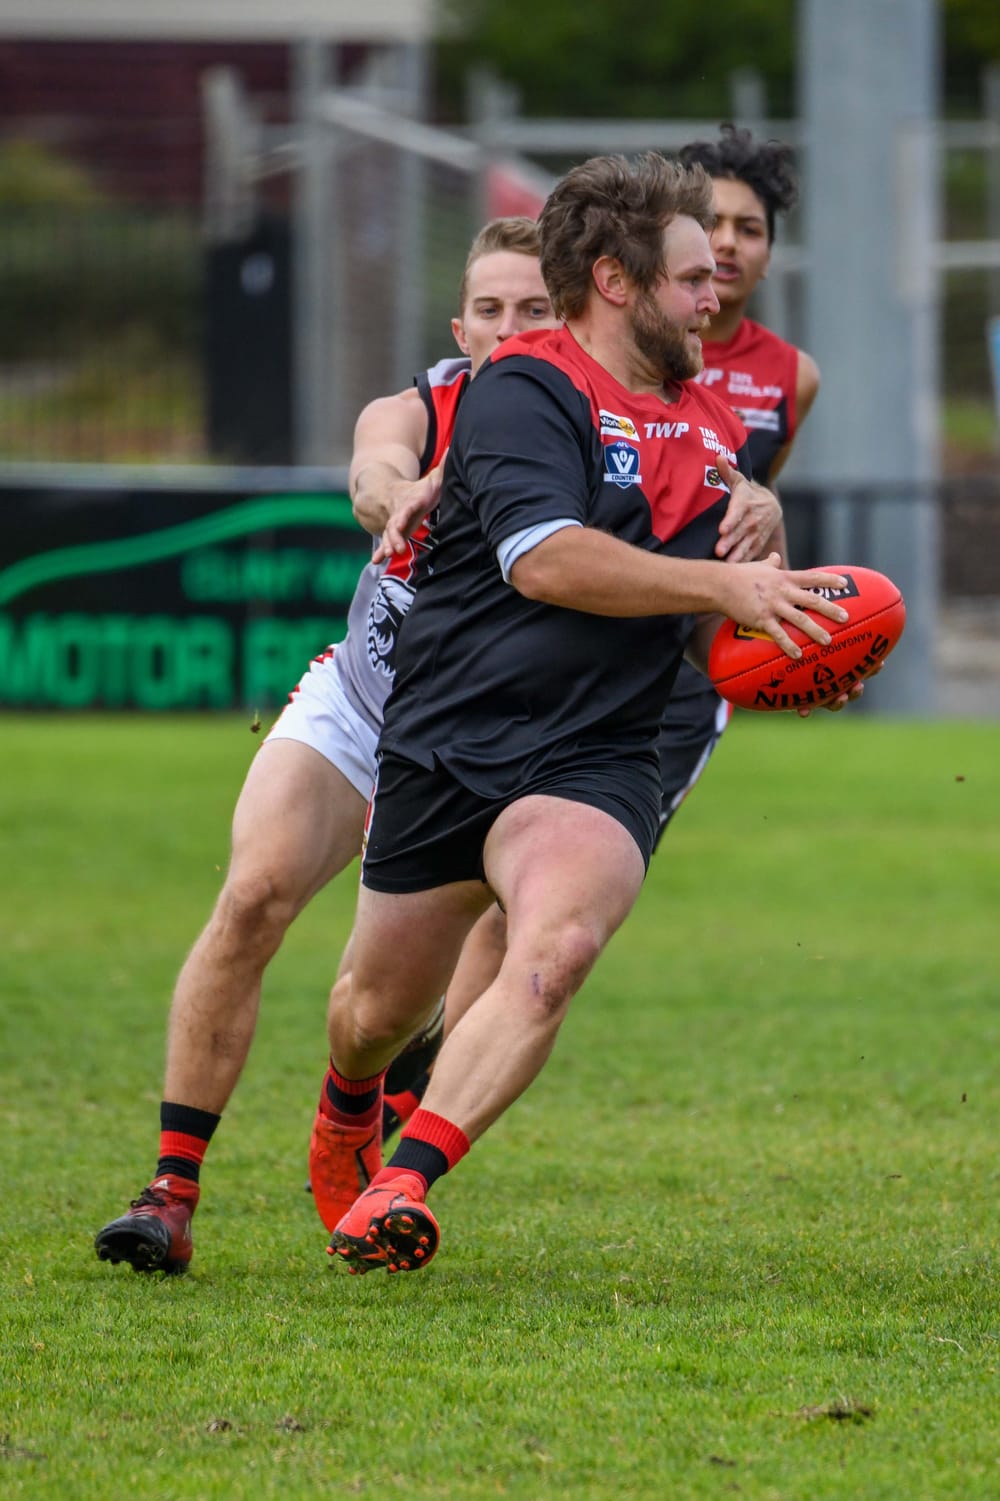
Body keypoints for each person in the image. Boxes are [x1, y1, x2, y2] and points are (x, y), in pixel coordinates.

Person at [314, 151, 861, 1278]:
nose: (718, 299)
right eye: (693, 278)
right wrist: (727, 587)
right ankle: (348, 1104)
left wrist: (800, 628)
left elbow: (733, 578)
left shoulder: (709, 418)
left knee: (555, 947)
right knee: (372, 1008)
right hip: (450, 737)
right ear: (616, 280)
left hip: (600, 750)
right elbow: (542, 559)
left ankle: (406, 1180)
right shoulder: (527, 383)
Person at [93, 218, 560, 1276]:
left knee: (377, 1009)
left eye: (534, 307)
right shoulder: (425, 402)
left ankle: (356, 1097)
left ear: (573, 315)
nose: (508, 327)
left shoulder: (598, 426)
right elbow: (372, 462)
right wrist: (391, 493)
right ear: (459, 323)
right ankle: (168, 1192)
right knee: (252, 897)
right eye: (489, 308)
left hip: (485, 748)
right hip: (359, 705)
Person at [647, 124, 822, 837]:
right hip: (589, 633)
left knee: (585, 883)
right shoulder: (619, 348)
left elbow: (750, 525)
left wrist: (810, 644)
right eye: (710, 222)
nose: (726, 242)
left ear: (770, 254)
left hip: (691, 667)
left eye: (748, 228)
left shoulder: (792, 376)